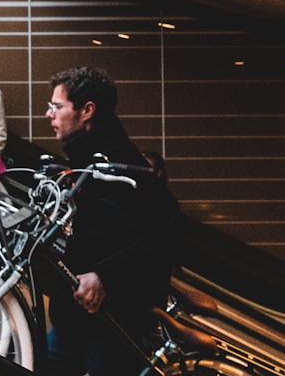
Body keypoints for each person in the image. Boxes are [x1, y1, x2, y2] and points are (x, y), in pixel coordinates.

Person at [44, 66, 181, 376]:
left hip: (111, 322)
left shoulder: (120, 165)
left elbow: (163, 236)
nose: (49, 114)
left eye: (57, 106)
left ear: (87, 111)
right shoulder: (90, 158)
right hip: (79, 318)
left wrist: (104, 276)